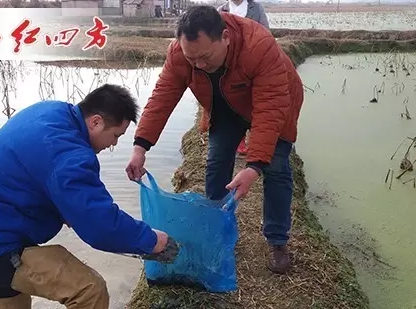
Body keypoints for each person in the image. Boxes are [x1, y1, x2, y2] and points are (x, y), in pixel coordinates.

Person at [0, 84, 171, 309]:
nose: (114, 143)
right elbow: (100, 225)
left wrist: (63, 211)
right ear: (95, 122)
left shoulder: (51, 112)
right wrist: (150, 240)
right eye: (115, 135)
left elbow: (35, 177)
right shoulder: (71, 156)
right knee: (89, 290)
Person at [125, 6, 304, 274]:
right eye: (192, 58)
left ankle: (277, 241)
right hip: (225, 107)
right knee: (217, 161)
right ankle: (218, 227)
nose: (199, 65)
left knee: (276, 168)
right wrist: (140, 146)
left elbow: (269, 108)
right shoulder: (181, 54)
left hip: (276, 102)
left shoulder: (259, 46)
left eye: (205, 57)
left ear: (225, 36)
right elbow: (162, 97)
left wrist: (254, 166)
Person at [217, 0, 270, 155]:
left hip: (253, 61)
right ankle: (239, 139)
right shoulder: (222, 10)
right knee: (234, 100)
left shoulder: (256, 8)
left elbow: (265, 32)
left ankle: (256, 140)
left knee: (255, 100)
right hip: (230, 64)